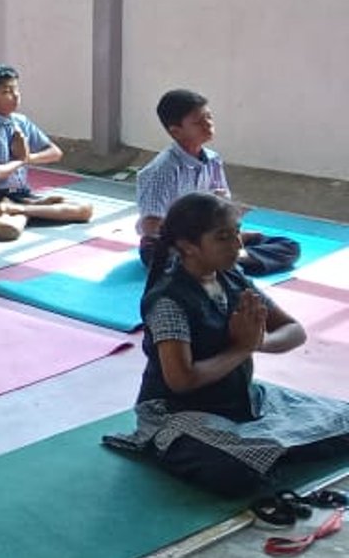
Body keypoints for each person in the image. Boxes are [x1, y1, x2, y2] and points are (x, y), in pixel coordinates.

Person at [105, 193, 349, 519]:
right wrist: (242, 348)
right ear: (188, 246)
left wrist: (256, 343)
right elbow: (181, 380)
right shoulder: (169, 300)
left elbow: (293, 330)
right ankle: (169, 446)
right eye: (223, 237)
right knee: (234, 473)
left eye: (237, 232)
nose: (236, 243)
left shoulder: (232, 278)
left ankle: (268, 448)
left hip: (243, 402)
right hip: (178, 413)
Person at [136, 89, 298, 277]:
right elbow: (151, 227)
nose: (208, 124)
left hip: (212, 240)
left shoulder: (213, 160)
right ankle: (227, 260)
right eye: (198, 122)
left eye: (209, 117)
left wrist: (229, 225)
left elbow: (221, 207)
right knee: (168, 259)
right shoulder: (162, 170)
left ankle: (224, 260)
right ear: (176, 131)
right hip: (174, 245)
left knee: (289, 246)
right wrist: (198, 239)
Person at [0, 63, 93, 242]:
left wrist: (27, 158)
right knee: (10, 229)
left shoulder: (21, 121)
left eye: (16, 89)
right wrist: (20, 160)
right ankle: (24, 211)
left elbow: (55, 153)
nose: (15, 95)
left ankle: (20, 210)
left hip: (20, 195)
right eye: (6, 91)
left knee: (85, 210)